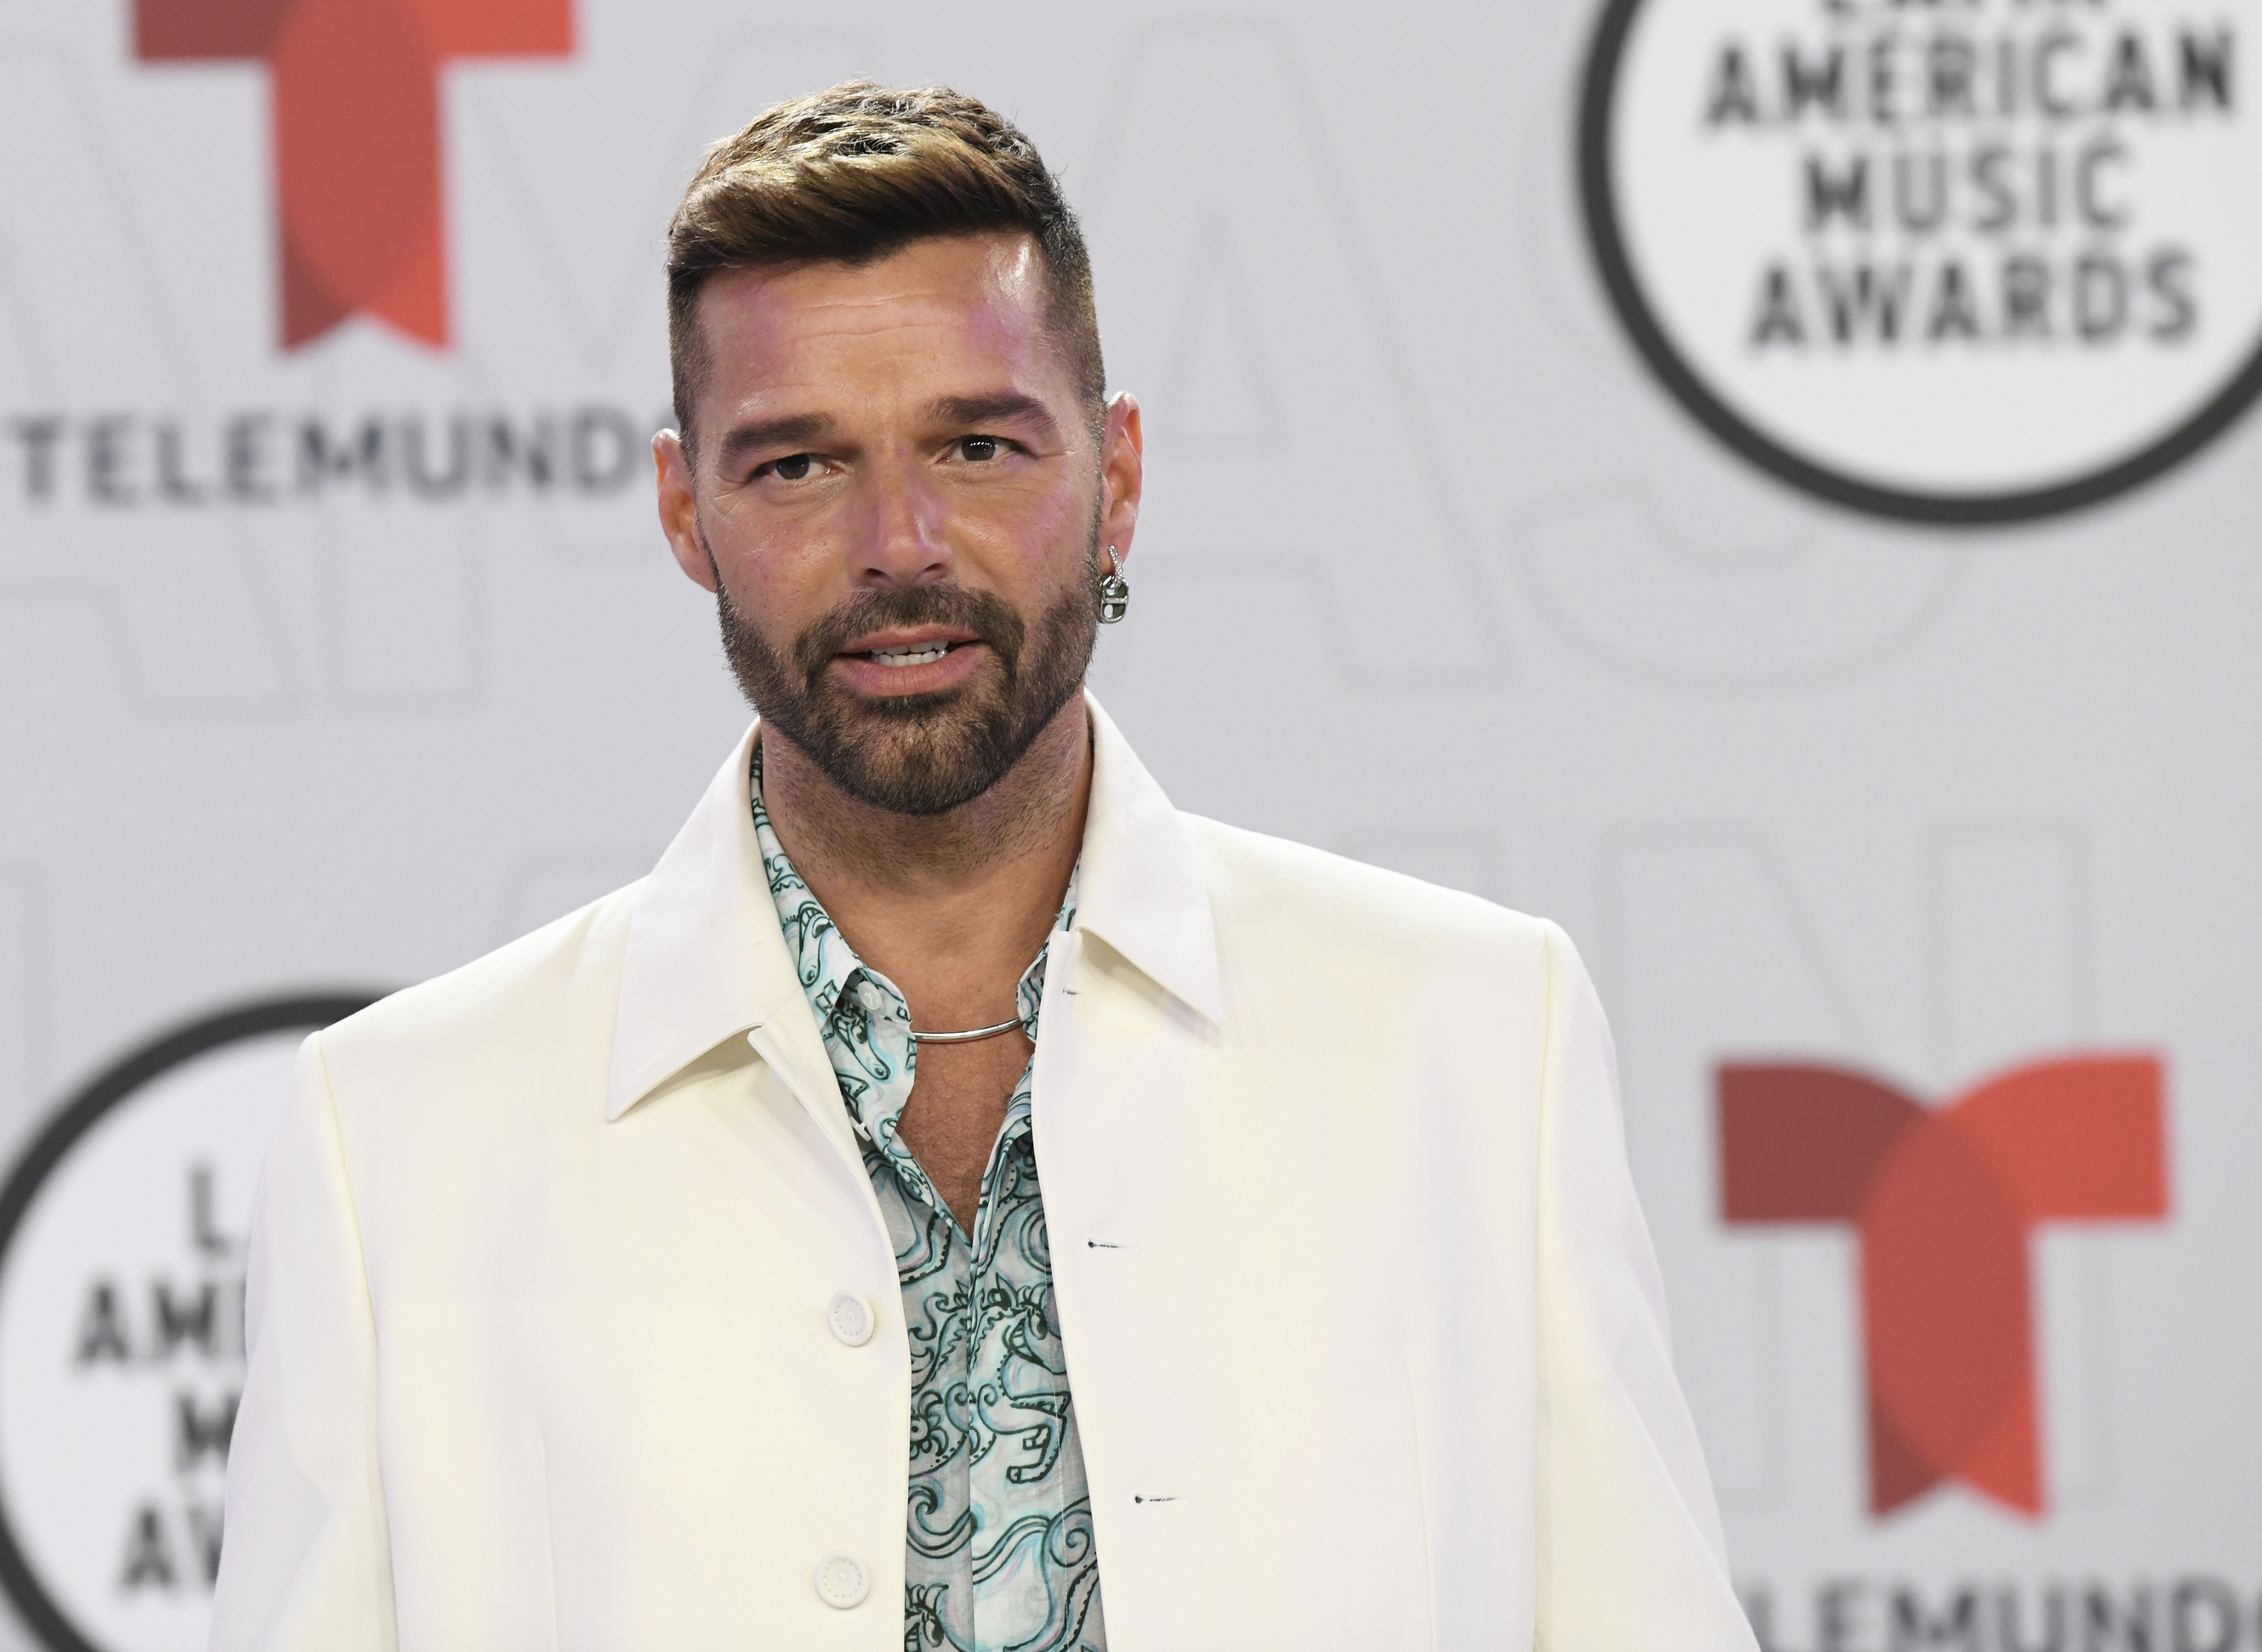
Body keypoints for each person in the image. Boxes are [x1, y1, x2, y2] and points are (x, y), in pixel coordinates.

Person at [210, 81, 1758, 1652]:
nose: (902, 542)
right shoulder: (399, 1137)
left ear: (1118, 476)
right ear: (687, 512)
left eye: (977, 445)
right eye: (799, 466)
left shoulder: (1479, 1039)